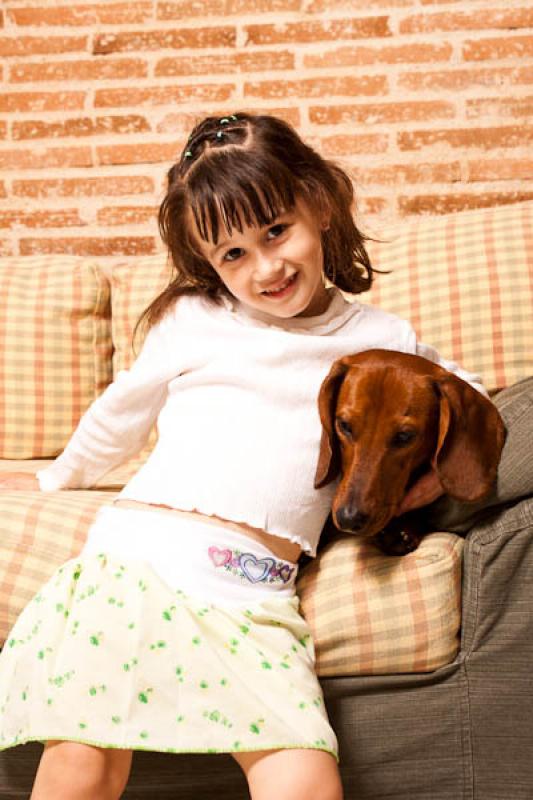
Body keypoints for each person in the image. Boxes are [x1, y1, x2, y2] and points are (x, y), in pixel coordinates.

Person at [0, 112, 488, 800]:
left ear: (317, 204)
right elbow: (120, 413)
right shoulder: (193, 321)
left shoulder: (383, 338)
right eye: (231, 254)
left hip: (257, 598)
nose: (265, 267)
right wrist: (55, 478)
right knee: (84, 759)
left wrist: (420, 489)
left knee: (305, 781)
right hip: (142, 564)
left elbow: (467, 407)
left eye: (274, 231)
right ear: (206, 264)